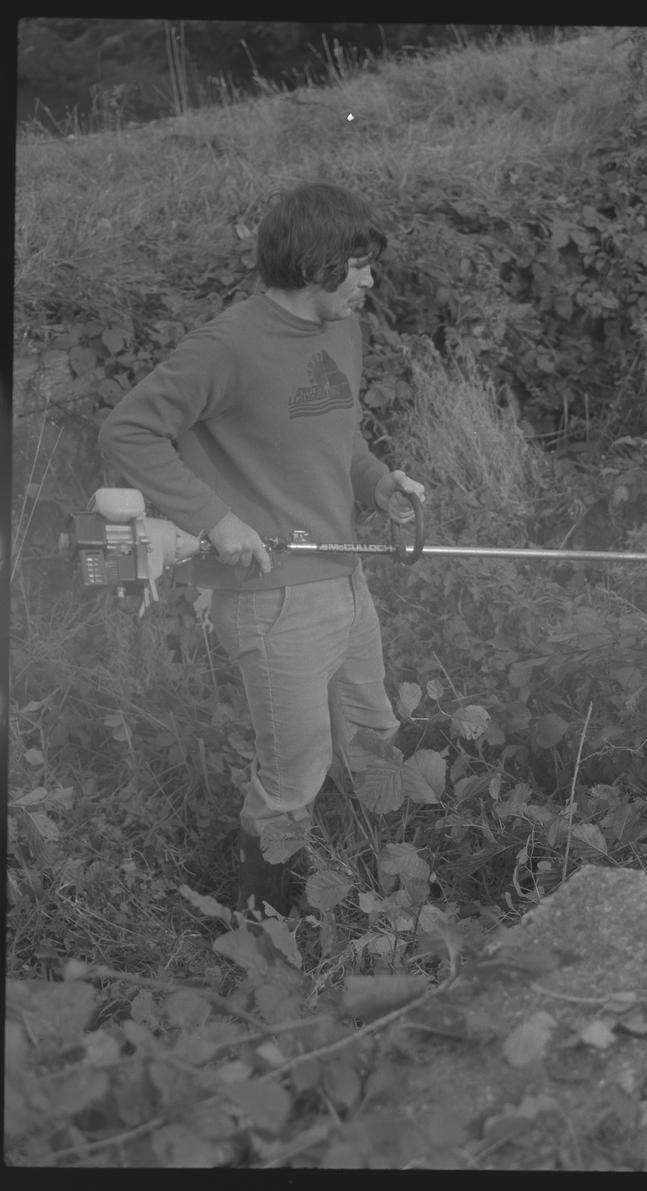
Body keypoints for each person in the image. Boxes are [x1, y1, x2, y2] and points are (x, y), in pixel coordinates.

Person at [98, 181, 426, 915]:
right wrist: (216, 519)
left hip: (346, 578)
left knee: (376, 735)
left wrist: (378, 486)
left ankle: (389, 886)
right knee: (292, 779)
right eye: (358, 264)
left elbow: (340, 435)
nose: (370, 280)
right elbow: (128, 431)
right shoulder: (228, 345)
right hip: (273, 599)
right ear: (316, 266)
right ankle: (265, 932)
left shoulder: (343, 329)